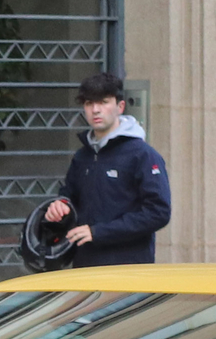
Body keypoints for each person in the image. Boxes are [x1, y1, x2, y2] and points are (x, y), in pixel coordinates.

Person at [44, 72, 170, 266]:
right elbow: (69, 196)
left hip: (128, 270)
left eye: (103, 102)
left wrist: (99, 232)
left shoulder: (143, 155)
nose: (95, 110)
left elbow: (158, 212)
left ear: (120, 106)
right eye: (88, 103)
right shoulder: (82, 156)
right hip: (85, 267)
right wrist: (60, 207)